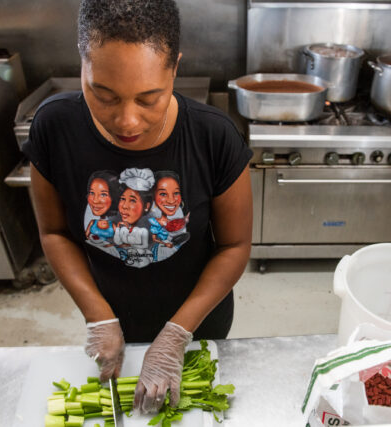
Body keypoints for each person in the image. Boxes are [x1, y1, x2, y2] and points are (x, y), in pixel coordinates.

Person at [22, 0, 252, 415]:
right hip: (109, 310)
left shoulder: (213, 136)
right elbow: (54, 232)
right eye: (103, 94)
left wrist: (177, 335)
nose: (127, 121)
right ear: (82, 62)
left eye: (149, 98)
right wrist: (97, 315)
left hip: (198, 319)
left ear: (175, 68)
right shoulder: (54, 127)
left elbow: (234, 246)